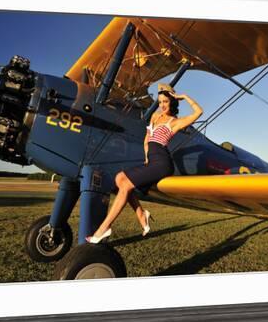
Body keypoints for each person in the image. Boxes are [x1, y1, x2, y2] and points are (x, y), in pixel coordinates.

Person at [86, 84, 203, 243]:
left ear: (172, 102)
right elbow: (147, 139)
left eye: (166, 102)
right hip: (152, 160)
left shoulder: (175, 122)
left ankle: (104, 228)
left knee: (125, 185)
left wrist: (183, 97)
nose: (162, 105)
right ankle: (142, 214)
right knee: (120, 178)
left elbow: (199, 112)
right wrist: (147, 156)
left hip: (162, 162)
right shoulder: (155, 116)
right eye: (160, 101)